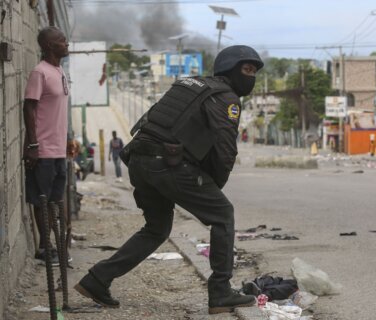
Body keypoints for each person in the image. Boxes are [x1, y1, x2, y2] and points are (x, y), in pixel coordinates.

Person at [74, 45, 264, 314]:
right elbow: (225, 149)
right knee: (223, 215)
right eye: (247, 69)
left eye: (254, 71)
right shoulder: (227, 98)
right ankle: (220, 291)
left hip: (140, 159)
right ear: (230, 69)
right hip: (167, 163)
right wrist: (213, 188)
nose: (251, 76)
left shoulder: (189, 85)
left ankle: (97, 279)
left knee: (157, 229)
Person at [23, 26, 70, 265]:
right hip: (42, 149)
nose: (67, 43)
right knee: (41, 199)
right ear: (50, 46)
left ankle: (54, 245)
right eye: (62, 41)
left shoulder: (58, 70)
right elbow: (29, 107)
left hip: (58, 149)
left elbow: (57, 112)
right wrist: (32, 144)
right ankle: (45, 246)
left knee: (53, 199)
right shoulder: (40, 72)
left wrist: (68, 139)